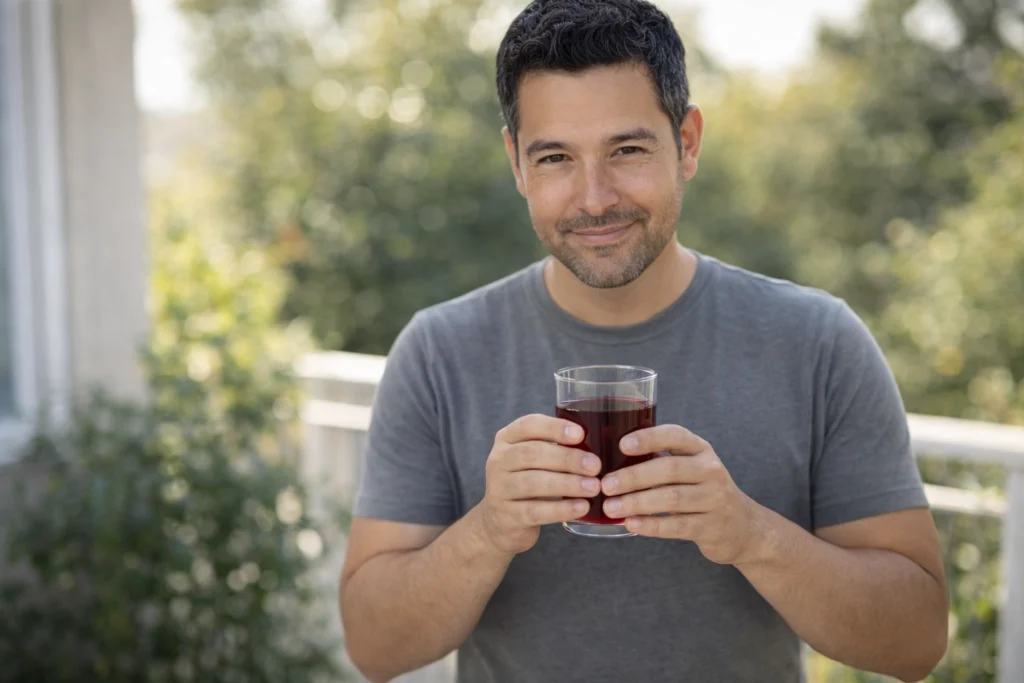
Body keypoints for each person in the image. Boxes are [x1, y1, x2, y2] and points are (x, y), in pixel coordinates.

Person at [338, 0, 949, 681]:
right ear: (516, 162)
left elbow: (917, 639)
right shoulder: (437, 353)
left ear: (687, 142)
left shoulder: (817, 341)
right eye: (556, 158)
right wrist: (487, 531)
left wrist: (750, 534)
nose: (594, 198)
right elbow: (372, 646)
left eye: (626, 150)